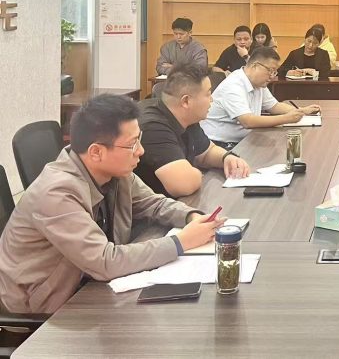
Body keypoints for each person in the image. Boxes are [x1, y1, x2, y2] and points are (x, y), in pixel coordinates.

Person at [0, 94, 223, 314]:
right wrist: (181, 242)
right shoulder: (56, 193)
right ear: (96, 152)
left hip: (86, 281)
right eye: (132, 144)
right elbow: (105, 261)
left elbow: (154, 204)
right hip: (42, 304)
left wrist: (191, 217)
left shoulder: (116, 172)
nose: (141, 151)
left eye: (139, 139)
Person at [137, 64, 251, 197]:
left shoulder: (186, 116)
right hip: (148, 208)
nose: (212, 100)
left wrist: (227, 158)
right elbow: (183, 184)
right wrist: (196, 172)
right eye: (208, 94)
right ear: (186, 101)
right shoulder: (153, 126)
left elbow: (206, 152)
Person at [200, 46, 320, 145]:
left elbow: (274, 106)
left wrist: (301, 111)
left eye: (275, 72)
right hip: (220, 144)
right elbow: (248, 121)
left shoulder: (258, 83)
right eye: (270, 70)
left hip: (244, 139)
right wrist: (287, 118)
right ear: (255, 66)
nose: (272, 76)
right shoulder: (233, 85)